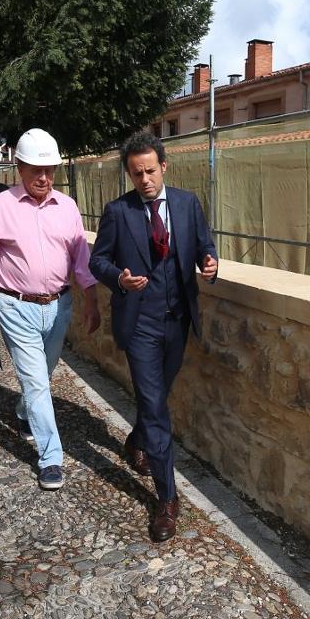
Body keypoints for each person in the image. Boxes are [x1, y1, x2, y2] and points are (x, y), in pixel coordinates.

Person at [89, 131, 218, 542]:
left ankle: (136, 441)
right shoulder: (118, 211)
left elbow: (204, 246)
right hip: (140, 322)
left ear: (163, 166)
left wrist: (211, 263)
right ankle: (167, 498)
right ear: (129, 174)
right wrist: (119, 279)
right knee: (156, 407)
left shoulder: (187, 203)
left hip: (178, 320)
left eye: (150, 171)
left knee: (156, 397)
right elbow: (97, 261)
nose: (144, 180)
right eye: (136, 173)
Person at [0, 128, 100, 490]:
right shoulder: (0, 206)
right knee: (37, 381)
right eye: (36, 170)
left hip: (59, 306)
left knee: (44, 374)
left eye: (49, 170)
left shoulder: (67, 207)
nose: (43, 177)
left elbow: (81, 260)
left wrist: (91, 301)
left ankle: (25, 412)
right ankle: (51, 457)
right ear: (20, 168)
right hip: (16, 306)